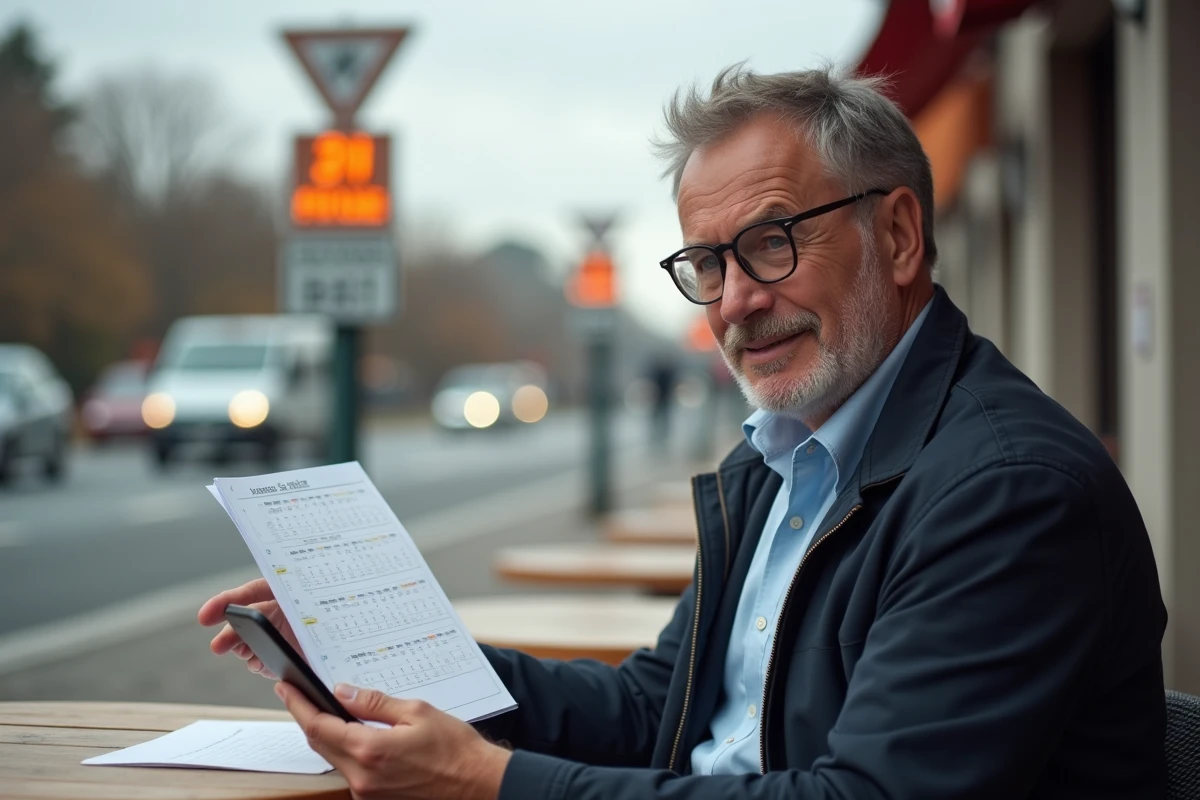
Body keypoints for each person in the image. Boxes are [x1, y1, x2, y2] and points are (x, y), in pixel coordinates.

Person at [199, 65, 1167, 799]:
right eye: (708, 263)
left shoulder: (1008, 489)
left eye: (772, 242)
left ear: (900, 237)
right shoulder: (782, 455)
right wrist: (382, 655)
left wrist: (492, 781)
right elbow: (659, 708)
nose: (737, 301)